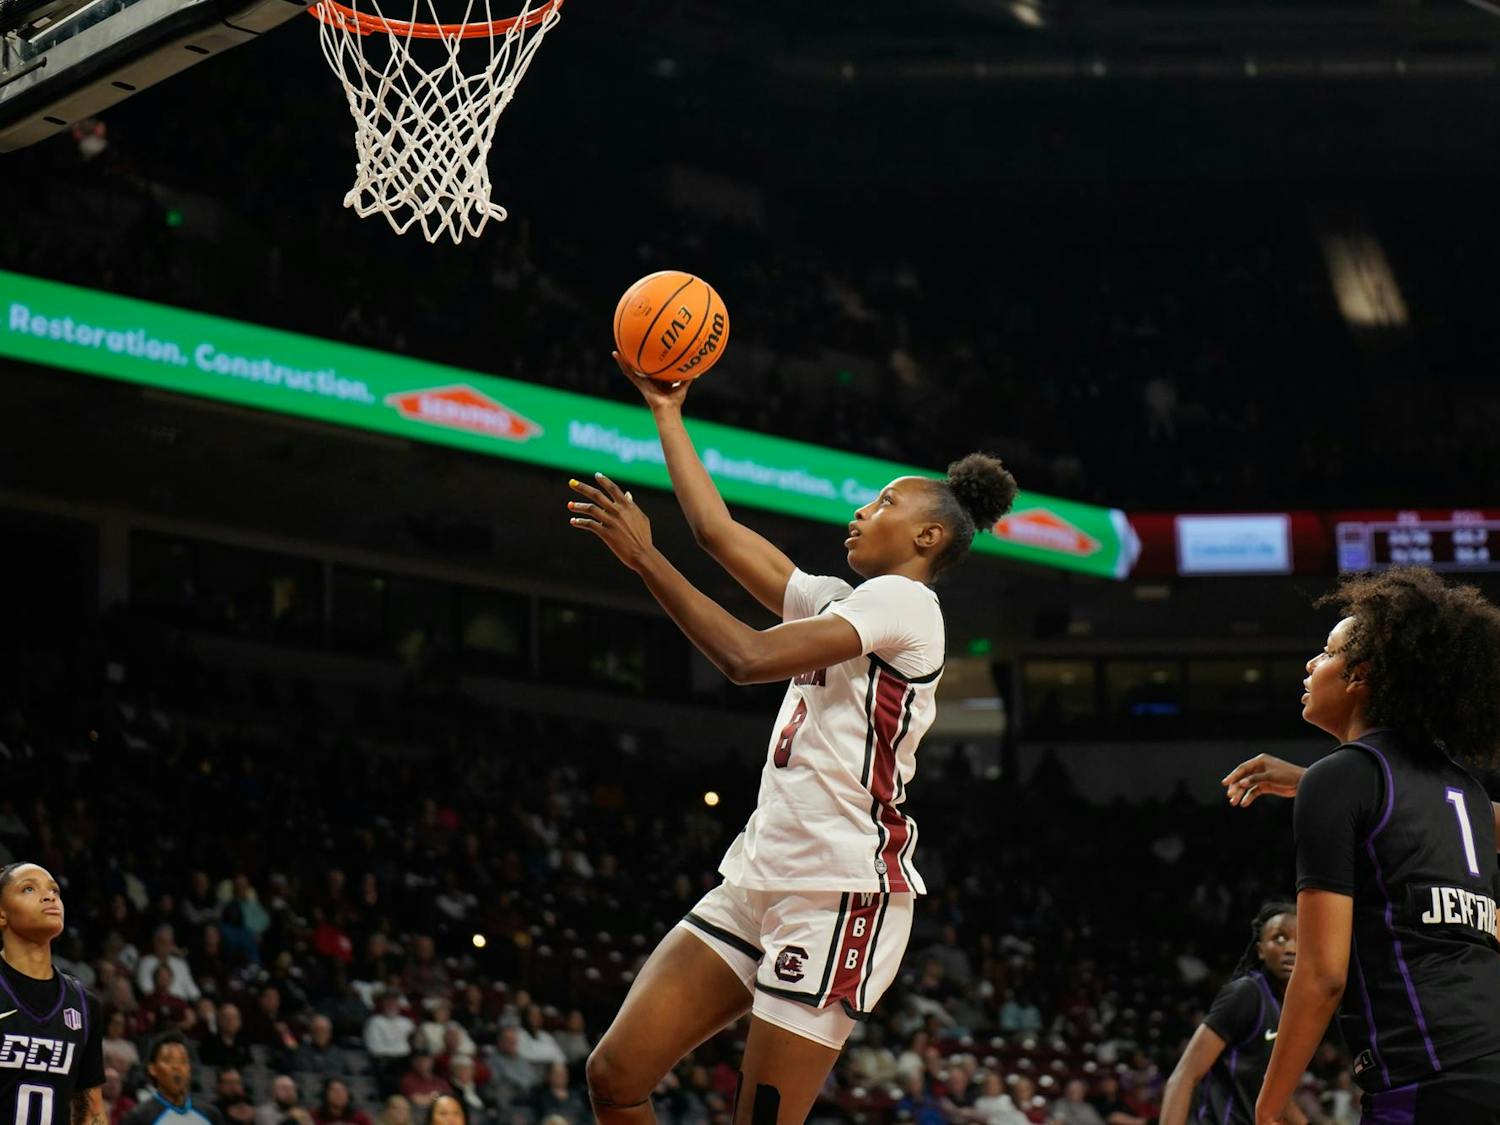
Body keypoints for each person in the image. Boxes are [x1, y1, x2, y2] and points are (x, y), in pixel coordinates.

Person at [572, 356, 1017, 1124]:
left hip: (838, 891)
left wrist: (645, 556)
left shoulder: (907, 606)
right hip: (762, 872)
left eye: (882, 501)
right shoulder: (843, 601)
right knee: (615, 1075)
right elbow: (716, 533)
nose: (860, 510)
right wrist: (667, 412)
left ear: (928, 533)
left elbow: (745, 658)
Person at [1221, 568, 1500, 1124]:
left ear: (1361, 676)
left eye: (1326, 652)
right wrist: (1313, 781)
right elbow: (1401, 801)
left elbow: (1323, 974)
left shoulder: (1342, 778)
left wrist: (1269, 1107)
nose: (1310, 664)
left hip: (1429, 1075)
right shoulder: (1465, 791)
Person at [1159, 904, 1305, 1125]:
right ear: (1260, 950)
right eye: (1280, 938)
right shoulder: (1246, 993)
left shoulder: (1293, 1009)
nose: (1291, 949)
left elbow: (1277, 1091)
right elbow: (1184, 1077)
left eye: (1299, 938)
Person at [0, 861, 107, 1125]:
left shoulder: (83, 1003)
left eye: (55, 891)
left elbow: (91, 1112)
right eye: (28, 889)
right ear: (1, 913)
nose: (50, 896)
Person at [121, 1030, 225, 1124]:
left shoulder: (211, 1114)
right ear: (152, 1069)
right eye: (168, 1060)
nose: (177, 1067)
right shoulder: (138, 1117)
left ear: (189, 1069)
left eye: (183, 1061)